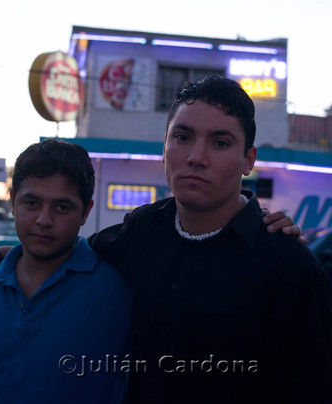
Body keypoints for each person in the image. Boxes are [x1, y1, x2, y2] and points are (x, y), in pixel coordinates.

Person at [88, 76, 332, 404]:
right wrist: (9, 257)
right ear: (164, 147)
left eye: (220, 143)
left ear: (248, 159)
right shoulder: (141, 230)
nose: (196, 157)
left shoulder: (289, 266)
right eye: (183, 137)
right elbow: (67, 258)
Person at [0, 139, 132, 404]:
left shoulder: (117, 290)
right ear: (13, 202)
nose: (43, 220)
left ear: (86, 212)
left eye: (62, 207)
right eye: (31, 203)